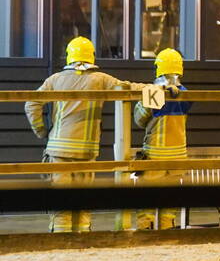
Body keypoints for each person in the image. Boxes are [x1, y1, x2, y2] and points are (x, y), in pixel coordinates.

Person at [24, 37, 146, 233]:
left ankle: (61, 242)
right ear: (92, 56)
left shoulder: (55, 79)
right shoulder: (100, 79)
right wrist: (157, 88)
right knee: (84, 199)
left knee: (61, 202)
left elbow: (31, 103)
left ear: (69, 56)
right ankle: (82, 241)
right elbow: (128, 87)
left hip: (58, 150)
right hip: (86, 151)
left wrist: (42, 132)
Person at [133, 48, 189, 230]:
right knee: (170, 200)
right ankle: (167, 231)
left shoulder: (155, 92)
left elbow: (140, 119)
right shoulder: (185, 92)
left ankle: (147, 230)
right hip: (178, 157)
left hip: (156, 154)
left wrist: (144, 99)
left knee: (148, 199)